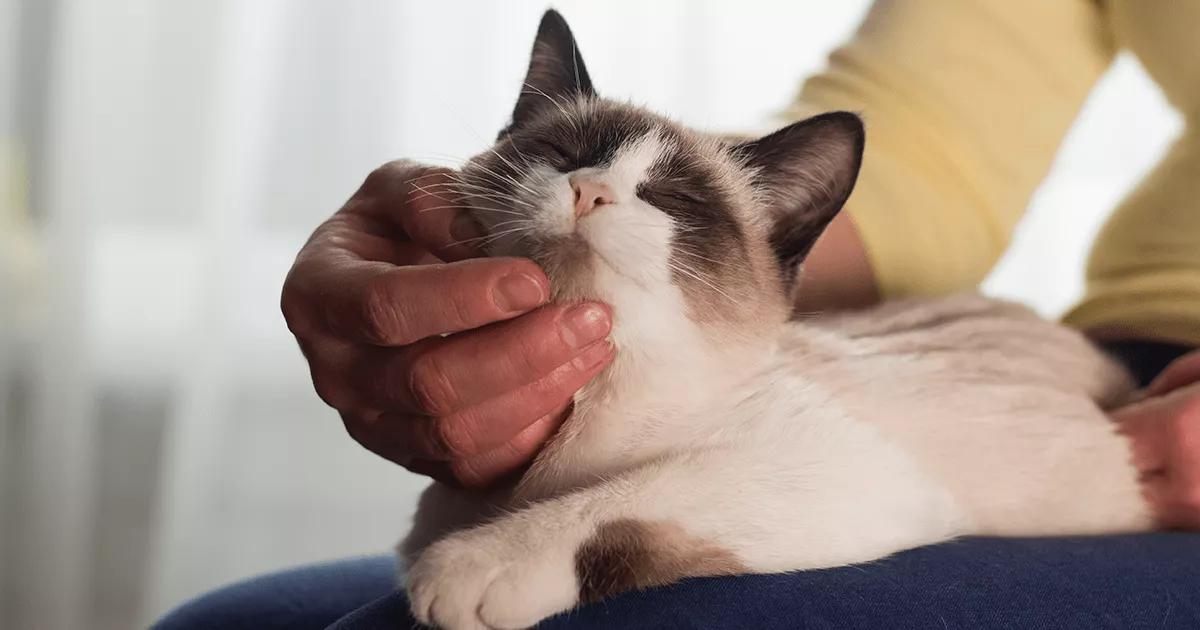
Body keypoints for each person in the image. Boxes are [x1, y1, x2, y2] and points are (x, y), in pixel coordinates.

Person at [156, 1, 1200, 628]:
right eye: (568, 161)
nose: (599, 194)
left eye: (661, 202)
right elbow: (934, 149)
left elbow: (867, 492)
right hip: (1123, 378)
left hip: (1133, 453)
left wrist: (576, 545)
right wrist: (435, 247)